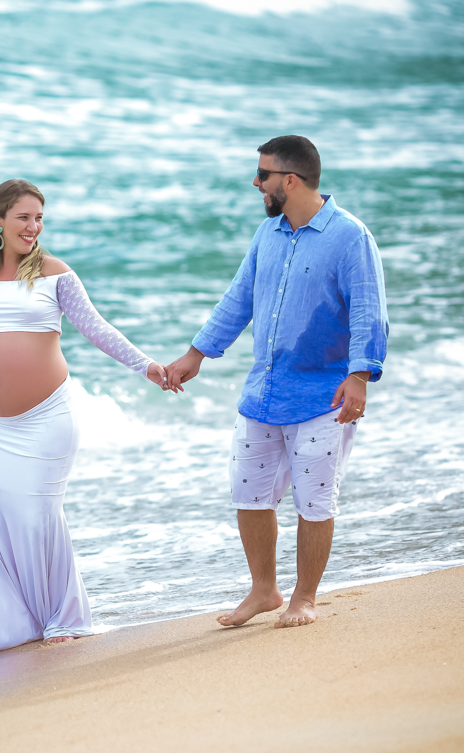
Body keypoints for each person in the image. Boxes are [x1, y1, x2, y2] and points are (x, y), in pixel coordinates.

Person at [165, 135, 388, 628]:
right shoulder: (267, 235)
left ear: (289, 180)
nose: (255, 182)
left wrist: (360, 377)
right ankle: (264, 590)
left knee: (315, 501)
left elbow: (369, 311)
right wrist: (196, 353)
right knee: (249, 495)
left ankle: (304, 598)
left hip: (322, 395)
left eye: (262, 175)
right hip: (262, 393)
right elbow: (238, 299)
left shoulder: (351, 237)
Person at [0, 179, 168, 659]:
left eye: (39, 218)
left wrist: (145, 365)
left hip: (48, 416)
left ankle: (62, 618)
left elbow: (95, 327)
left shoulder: (54, 273)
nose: (33, 226)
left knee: (36, 515)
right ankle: (1, 626)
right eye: (24, 217)